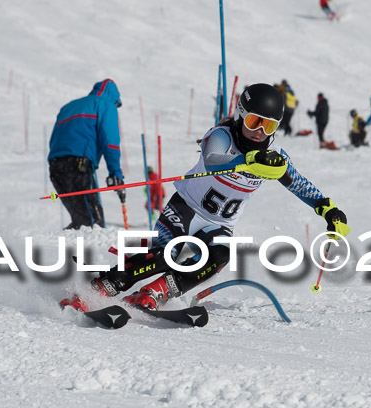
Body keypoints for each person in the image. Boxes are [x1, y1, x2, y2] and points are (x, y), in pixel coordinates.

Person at [88, 83, 350, 311]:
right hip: (186, 210)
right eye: (254, 122)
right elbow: (214, 161)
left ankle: (156, 292)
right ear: (241, 115)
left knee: (219, 258)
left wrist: (327, 209)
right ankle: (102, 286)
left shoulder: (274, 156)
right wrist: (249, 159)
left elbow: (298, 184)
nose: (260, 131)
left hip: (219, 225)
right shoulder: (221, 136)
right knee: (164, 255)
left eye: (268, 125)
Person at [48, 79, 126, 229]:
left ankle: (59, 247)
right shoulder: (105, 104)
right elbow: (110, 142)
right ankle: (91, 251)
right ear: (113, 99)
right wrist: (116, 174)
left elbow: (54, 140)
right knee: (93, 223)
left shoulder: (68, 107)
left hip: (56, 168)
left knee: (81, 220)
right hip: (78, 166)